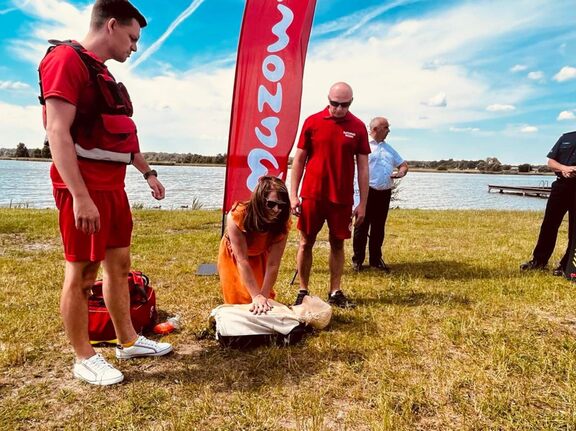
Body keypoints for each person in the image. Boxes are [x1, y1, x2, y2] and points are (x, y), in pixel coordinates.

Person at [39, 0, 172, 386]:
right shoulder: (66, 60)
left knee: (119, 266)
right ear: (111, 25)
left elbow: (122, 136)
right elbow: (57, 132)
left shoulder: (104, 76)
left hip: (114, 186)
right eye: (132, 38)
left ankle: (129, 339)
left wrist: (148, 174)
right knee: (82, 272)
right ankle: (84, 356)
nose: (134, 47)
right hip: (83, 185)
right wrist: (80, 196)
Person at [290, 82, 370, 309]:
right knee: (306, 243)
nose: (338, 109)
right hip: (313, 195)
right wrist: (294, 195)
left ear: (351, 103)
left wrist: (363, 203)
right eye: (335, 104)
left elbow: (363, 168)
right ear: (328, 100)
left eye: (344, 105)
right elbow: (299, 160)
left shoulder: (358, 126)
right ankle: (303, 291)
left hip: (342, 198)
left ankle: (335, 291)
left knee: (338, 244)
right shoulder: (312, 121)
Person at [218, 176, 291, 314]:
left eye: (281, 205)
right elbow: (242, 259)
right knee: (238, 301)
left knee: (265, 301)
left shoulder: (283, 223)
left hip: (260, 253)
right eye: (271, 204)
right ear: (259, 200)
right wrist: (256, 295)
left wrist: (262, 295)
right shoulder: (237, 216)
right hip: (234, 255)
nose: (276, 210)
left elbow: (273, 264)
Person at [352, 117, 408, 272]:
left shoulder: (389, 148)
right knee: (361, 226)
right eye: (386, 127)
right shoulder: (363, 146)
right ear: (376, 129)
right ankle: (357, 260)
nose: (388, 130)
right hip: (367, 191)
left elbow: (403, 164)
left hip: (384, 193)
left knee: (379, 227)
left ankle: (375, 260)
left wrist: (401, 172)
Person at [520, 131, 576, 276]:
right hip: (561, 186)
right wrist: (564, 168)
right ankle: (539, 261)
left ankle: (566, 266)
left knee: (574, 229)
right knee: (549, 225)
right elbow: (551, 162)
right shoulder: (566, 137)